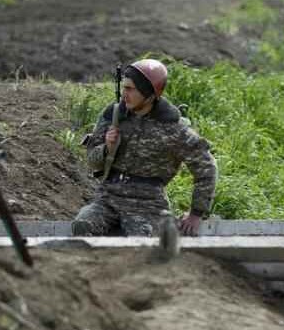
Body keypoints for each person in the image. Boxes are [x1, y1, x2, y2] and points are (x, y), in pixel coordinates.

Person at [71, 59, 217, 237]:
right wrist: (107, 148)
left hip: (148, 204)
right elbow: (93, 162)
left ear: (149, 94)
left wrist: (196, 213)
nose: (125, 94)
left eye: (131, 89)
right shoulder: (114, 116)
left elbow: (206, 167)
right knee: (82, 225)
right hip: (108, 198)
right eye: (124, 87)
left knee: (141, 241)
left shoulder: (173, 127)